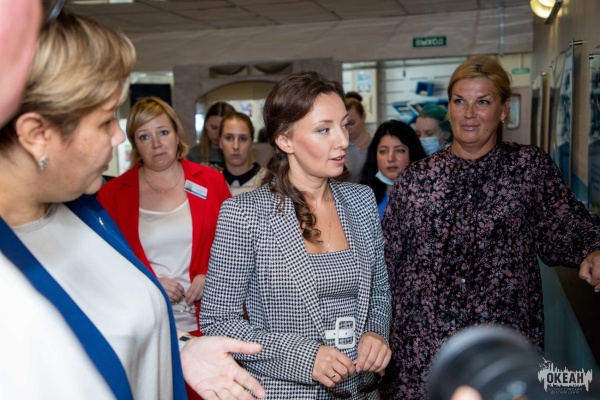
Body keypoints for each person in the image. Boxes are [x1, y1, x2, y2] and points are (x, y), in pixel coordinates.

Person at [0, 8, 265, 400]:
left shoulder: (86, 214)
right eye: (106, 120)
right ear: (37, 135)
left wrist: (181, 351)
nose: (117, 138)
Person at [380, 55, 600, 399]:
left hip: (503, 343)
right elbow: (387, 260)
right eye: (459, 101)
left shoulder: (527, 167)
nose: (469, 113)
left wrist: (592, 248)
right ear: (449, 108)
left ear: (504, 109)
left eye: (483, 102)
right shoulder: (416, 179)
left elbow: (562, 225)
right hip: (423, 349)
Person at [201, 71, 392, 398]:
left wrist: (376, 333)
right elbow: (218, 322)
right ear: (284, 140)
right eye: (324, 130)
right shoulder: (245, 215)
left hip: (361, 391)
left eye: (344, 125)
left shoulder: (361, 201)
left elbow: (379, 292)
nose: (342, 141)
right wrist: (304, 357)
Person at [97, 96, 231, 338]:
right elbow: (103, 265)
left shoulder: (211, 182)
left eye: (163, 132)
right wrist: (148, 285)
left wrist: (213, 275)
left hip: (211, 323)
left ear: (177, 135)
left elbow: (238, 247)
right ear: (135, 145)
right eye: (144, 137)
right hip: (146, 327)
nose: (156, 144)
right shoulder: (112, 194)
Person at [358, 120, 426, 220]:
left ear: (412, 154)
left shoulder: (429, 195)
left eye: (399, 150)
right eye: (383, 151)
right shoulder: (362, 198)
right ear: (375, 156)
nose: (391, 158)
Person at [220, 111, 266, 196]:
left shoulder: (268, 181)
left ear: (251, 142)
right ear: (220, 142)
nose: (236, 146)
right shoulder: (212, 182)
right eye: (229, 138)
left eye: (243, 138)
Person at [188, 101, 235, 169]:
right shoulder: (192, 154)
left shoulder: (239, 154)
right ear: (205, 125)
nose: (217, 134)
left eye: (222, 129)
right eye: (213, 127)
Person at [344, 97, 372, 182]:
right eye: (344, 125)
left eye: (352, 123)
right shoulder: (338, 148)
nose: (348, 128)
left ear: (363, 117)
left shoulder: (377, 143)